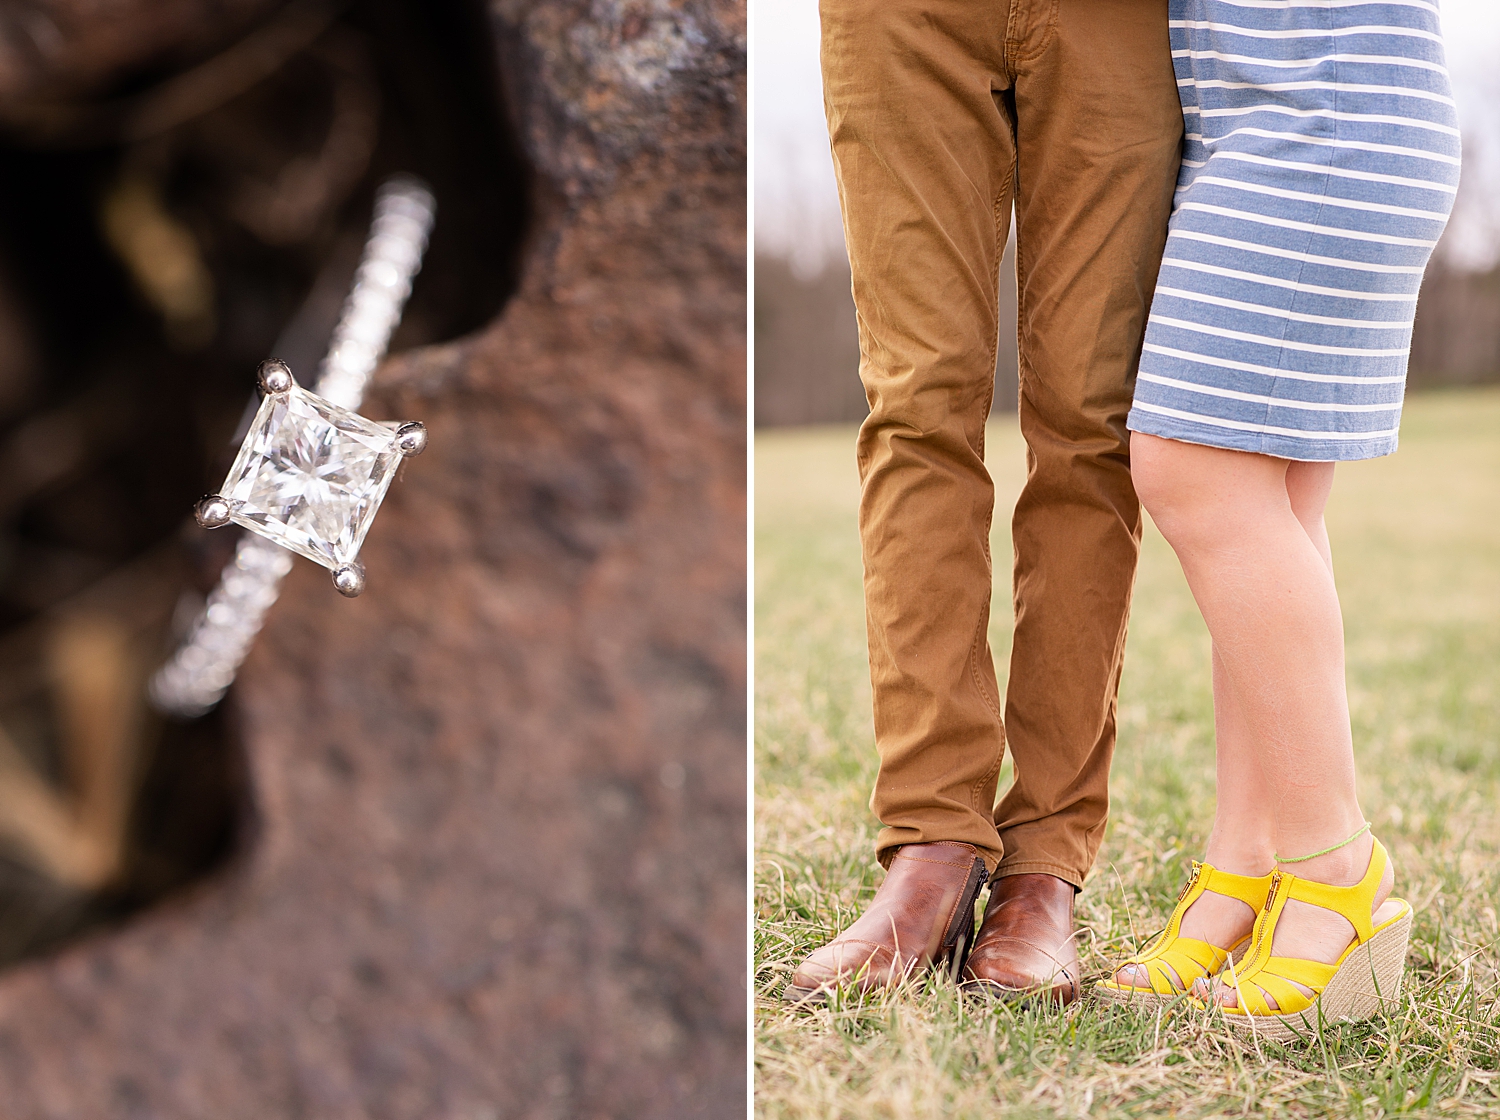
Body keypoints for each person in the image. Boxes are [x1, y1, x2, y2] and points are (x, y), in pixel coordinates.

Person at [786, 0, 1183, 1005]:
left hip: (1118, 20)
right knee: (918, 405)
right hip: (901, 18)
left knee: (1090, 428)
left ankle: (1046, 860)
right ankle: (932, 839)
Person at [1096, 1, 1457, 1036]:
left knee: (1191, 471)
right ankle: (1246, 867)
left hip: (1316, 120)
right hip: (1286, 117)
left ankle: (1334, 864)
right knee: (1271, 491)